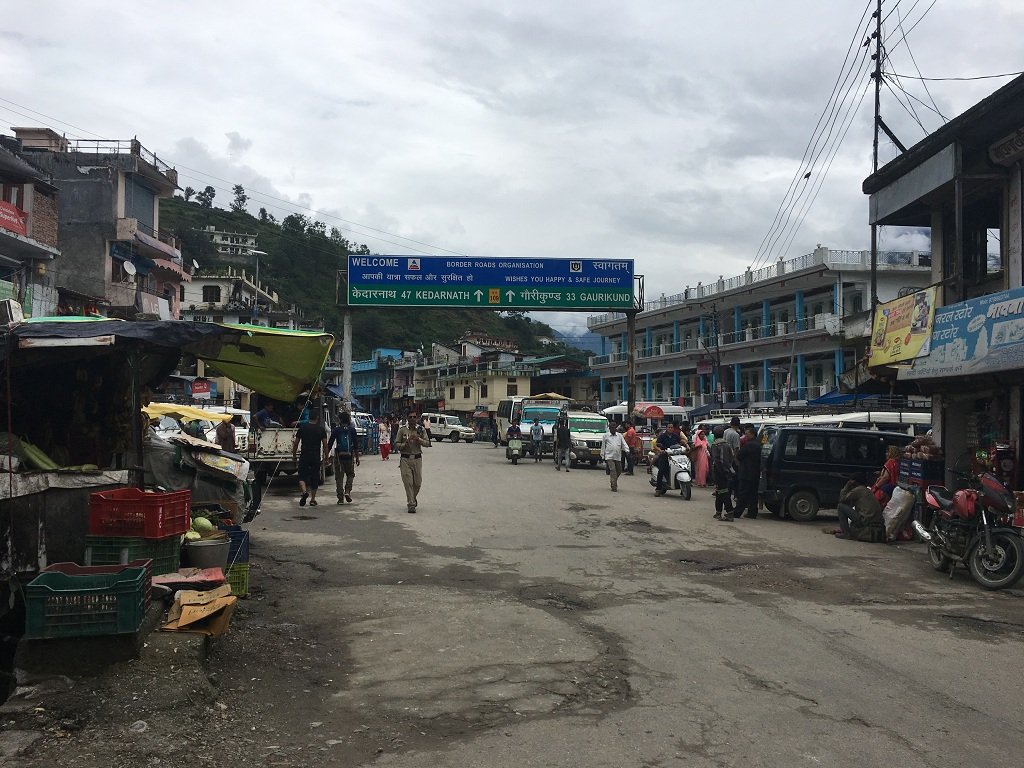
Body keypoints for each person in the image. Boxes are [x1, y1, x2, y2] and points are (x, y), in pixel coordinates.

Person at [394, 412, 432, 513]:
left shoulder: (420, 429)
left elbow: (428, 443)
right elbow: (396, 444)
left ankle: (413, 497)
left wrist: (418, 439)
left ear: (417, 418)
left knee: (418, 483)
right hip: (405, 459)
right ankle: (411, 504)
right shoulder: (402, 430)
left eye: (414, 417)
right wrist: (405, 444)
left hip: (417, 459)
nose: (412, 419)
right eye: (410, 417)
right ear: (407, 418)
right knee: (408, 483)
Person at [291, 409, 328, 507]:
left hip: (304, 455)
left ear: (309, 418)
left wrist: (294, 455)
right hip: (315, 456)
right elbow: (325, 445)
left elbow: (296, 443)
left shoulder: (302, 428)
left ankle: (304, 492)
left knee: (302, 476)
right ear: (317, 418)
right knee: (315, 477)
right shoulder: (321, 429)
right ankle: (312, 499)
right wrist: (326, 457)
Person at [834, 472, 885, 540]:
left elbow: (842, 499)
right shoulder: (866, 490)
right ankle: (846, 531)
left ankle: (846, 533)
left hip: (866, 520)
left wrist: (847, 486)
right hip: (874, 521)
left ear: (854, 482)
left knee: (840, 506)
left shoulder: (859, 490)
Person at [327, 411, 361, 504]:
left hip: (339, 458)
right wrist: (357, 458)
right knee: (350, 474)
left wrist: (326, 456)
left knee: (339, 478)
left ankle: (340, 498)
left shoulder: (336, 430)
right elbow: (356, 445)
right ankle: (347, 491)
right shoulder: (352, 430)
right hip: (349, 457)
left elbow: (329, 444)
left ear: (340, 420)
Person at [733, 426, 761, 519]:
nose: (745, 436)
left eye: (747, 434)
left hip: (746, 473)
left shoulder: (749, 445)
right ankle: (752, 513)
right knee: (753, 494)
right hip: (755, 473)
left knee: (743, 494)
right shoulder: (758, 444)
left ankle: (737, 513)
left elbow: (739, 455)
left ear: (752, 434)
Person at [711, 426, 736, 521]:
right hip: (727, 470)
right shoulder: (727, 444)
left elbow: (716, 461)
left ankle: (730, 512)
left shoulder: (715, 445)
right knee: (720, 492)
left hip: (720, 472)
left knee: (723, 492)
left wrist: (720, 472)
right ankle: (718, 512)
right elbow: (732, 457)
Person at [652, 422, 682, 496]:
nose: (670, 429)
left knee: (682, 467)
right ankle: (658, 489)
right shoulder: (662, 436)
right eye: (669, 427)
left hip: (675, 456)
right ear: (666, 428)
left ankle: (683, 486)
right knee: (662, 470)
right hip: (665, 455)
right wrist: (660, 450)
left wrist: (687, 446)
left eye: (672, 427)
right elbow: (656, 445)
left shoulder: (675, 436)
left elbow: (682, 442)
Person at [600, 421, 628, 492]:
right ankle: (614, 485)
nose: (613, 428)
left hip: (617, 456)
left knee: (619, 470)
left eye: (614, 427)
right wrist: (602, 456)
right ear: (609, 428)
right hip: (609, 456)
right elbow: (603, 446)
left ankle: (613, 479)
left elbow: (624, 444)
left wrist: (627, 450)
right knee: (613, 470)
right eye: (612, 427)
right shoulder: (605, 436)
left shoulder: (619, 436)